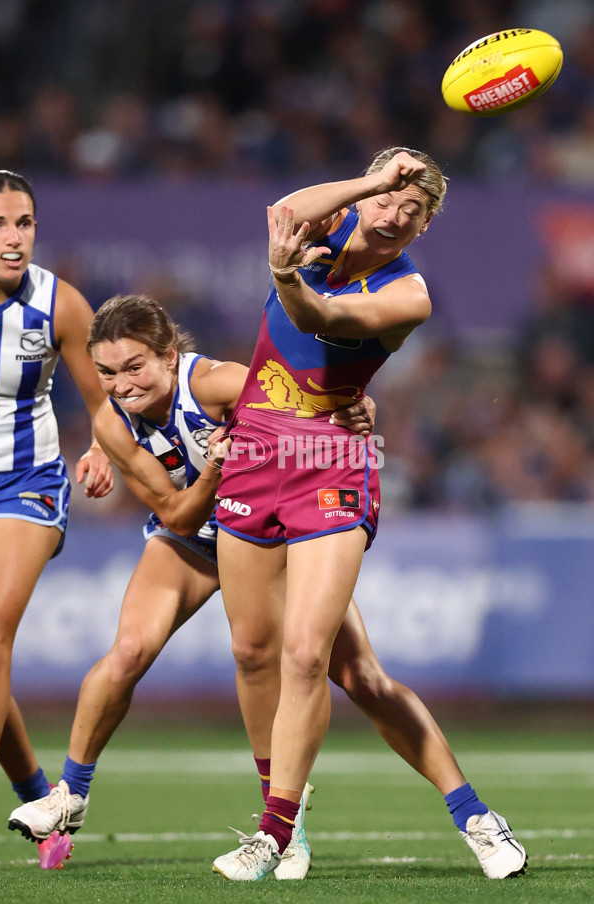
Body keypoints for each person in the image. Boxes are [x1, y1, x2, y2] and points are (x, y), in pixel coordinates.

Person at [8, 294, 523, 881]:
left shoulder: (221, 383)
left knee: (361, 678)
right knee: (134, 651)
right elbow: (175, 515)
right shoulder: (109, 421)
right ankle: (71, 794)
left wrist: (361, 408)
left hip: (270, 529)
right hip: (195, 535)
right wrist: (212, 470)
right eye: (106, 372)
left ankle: (475, 816)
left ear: (171, 358)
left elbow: (308, 393)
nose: (121, 384)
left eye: (135, 367)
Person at [211, 147, 527, 881]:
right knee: (275, 657)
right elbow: (285, 209)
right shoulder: (323, 225)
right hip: (254, 460)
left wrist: (285, 272)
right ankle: (476, 813)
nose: (391, 214)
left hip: (329, 465)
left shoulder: (407, 293)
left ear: (423, 230)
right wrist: (373, 182)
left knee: (304, 655)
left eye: (411, 211)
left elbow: (316, 313)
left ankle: (276, 833)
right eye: (385, 197)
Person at [0, 170, 114, 870]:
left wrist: (102, 448)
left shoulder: (60, 305)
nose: (14, 239)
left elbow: (106, 398)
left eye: (24, 223)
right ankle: (41, 798)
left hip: (29, 485)